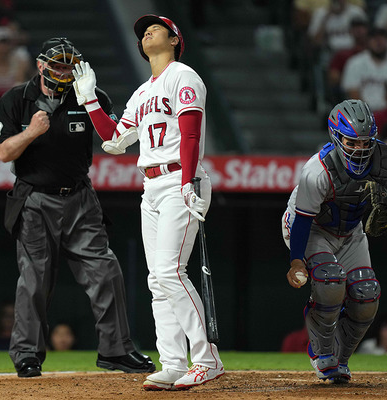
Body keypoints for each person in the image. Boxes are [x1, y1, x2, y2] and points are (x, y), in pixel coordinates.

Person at [72, 15, 224, 390]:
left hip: (178, 180)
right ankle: (172, 362)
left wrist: (189, 182)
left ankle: (206, 359)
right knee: (158, 280)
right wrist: (90, 99)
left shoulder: (183, 76)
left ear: (175, 40)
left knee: (172, 272)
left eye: (155, 29)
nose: (146, 33)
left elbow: (190, 133)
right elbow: (113, 138)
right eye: (142, 32)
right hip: (152, 186)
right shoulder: (142, 93)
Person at [0, 36, 155, 378]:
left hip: (80, 197)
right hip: (34, 198)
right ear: (41, 66)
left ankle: (116, 350)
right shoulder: (15, 99)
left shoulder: (88, 94)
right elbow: (5, 152)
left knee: (106, 271)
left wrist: (91, 100)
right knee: (34, 280)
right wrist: (32, 132)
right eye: (58, 65)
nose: (65, 72)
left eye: (70, 66)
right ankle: (27, 355)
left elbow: (115, 140)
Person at [281, 99, 387, 383]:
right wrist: (296, 260)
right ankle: (322, 352)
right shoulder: (318, 170)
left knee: (367, 295)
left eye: (366, 142)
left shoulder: (385, 158)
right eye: (352, 142)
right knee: (329, 281)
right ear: (336, 137)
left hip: (351, 231)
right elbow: (303, 220)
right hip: (313, 228)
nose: (361, 149)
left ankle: (340, 358)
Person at [340, 26, 387, 111]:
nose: (378, 42)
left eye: (381, 39)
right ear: (368, 41)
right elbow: (353, 93)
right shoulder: (355, 63)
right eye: (374, 39)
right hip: (362, 114)